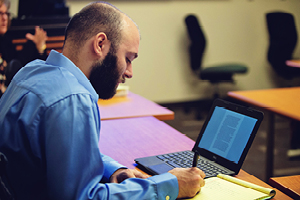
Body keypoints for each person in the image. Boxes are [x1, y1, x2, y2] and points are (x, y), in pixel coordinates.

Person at [0, 2, 205, 200]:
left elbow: (60, 153)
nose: (130, 72)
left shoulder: (30, 71)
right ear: (100, 44)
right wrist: (171, 185)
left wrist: (115, 169)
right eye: (128, 58)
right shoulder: (72, 99)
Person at [0, 0, 48, 96]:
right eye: (0, 14)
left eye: (6, 13)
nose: (5, 18)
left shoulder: (5, 42)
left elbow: (20, 68)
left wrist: (40, 48)